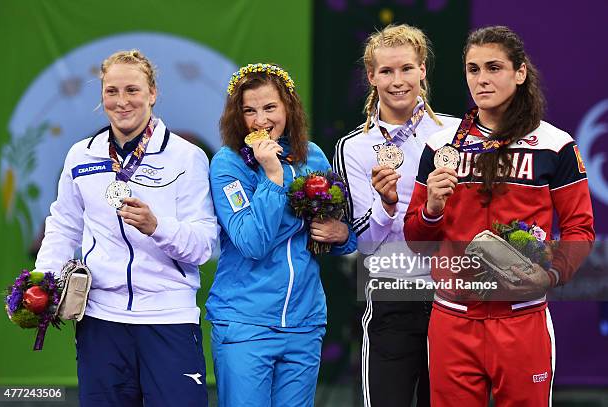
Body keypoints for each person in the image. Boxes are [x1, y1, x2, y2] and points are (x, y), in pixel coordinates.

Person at [404, 26, 595, 406]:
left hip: (522, 320)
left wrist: (552, 272)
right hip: (453, 319)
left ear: (520, 73)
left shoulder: (554, 145)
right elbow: (417, 241)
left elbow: (579, 227)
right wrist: (431, 210)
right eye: (473, 70)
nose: (482, 79)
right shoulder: (441, 147)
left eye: (494, 68)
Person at [34, 49, 218, 406]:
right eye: (111, 91)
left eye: (132, 90)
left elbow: (204, 244)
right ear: (101, 96)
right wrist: (43, 282)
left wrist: (156, 226)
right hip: (100, 320)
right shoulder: (82, 156)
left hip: (168, 318)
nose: (121, 102)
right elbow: (63, 226)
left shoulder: (186, 157)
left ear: (152, 93)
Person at [207, 63, 357, 407]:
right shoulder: (228, 164)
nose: (261, 120)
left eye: (270, 107)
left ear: (289, 107)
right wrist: (272, 176)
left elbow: (338, 236)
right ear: (237, 116)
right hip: (245, 323)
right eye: (249, 110)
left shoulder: (313, 156)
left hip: (304, 325)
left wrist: (342, 234)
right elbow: (251, 242)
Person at [333, 24, 460, 407]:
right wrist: (385, 206)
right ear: (371, 77)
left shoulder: (457, 134)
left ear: (423, 70)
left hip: (452, 297)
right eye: (386, 71)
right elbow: (366, 245)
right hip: (392, 293)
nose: (397, 81)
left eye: (406, 68)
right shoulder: (353, 147)